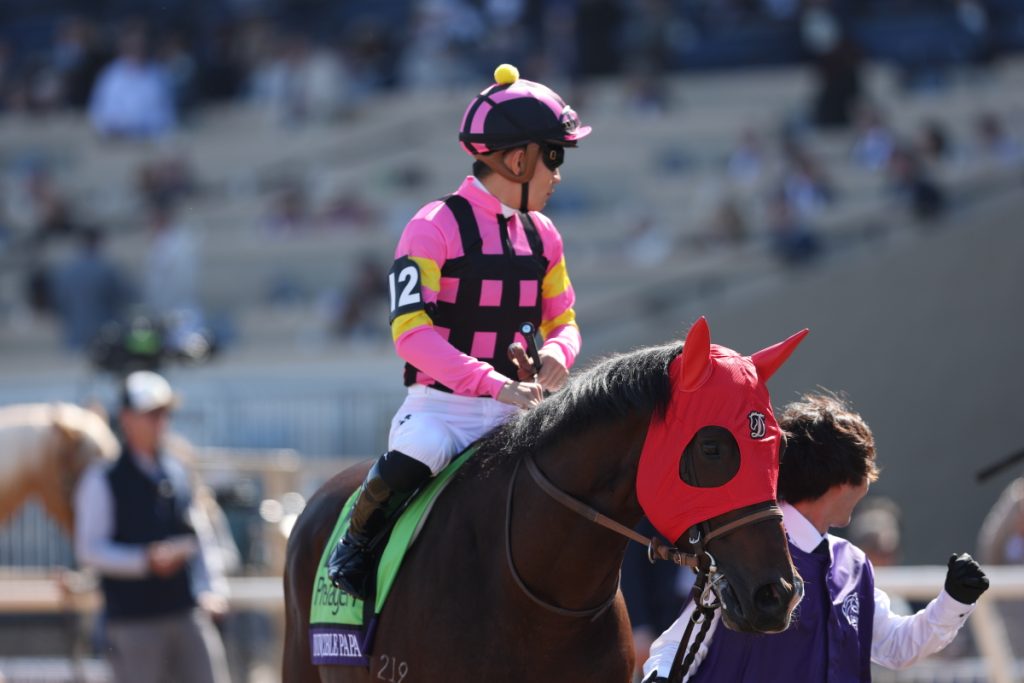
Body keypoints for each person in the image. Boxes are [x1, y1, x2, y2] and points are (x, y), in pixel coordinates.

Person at [327, 63, 590, 599]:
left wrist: (559, 353)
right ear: (518, 160)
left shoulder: (545, 235)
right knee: (421, 452)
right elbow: (411, 335)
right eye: (553, 156)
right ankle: (354, 546)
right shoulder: (432, 226)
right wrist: (495, 384)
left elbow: (563, 320)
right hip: (441, 412)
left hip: (521, 410)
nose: (558, 173)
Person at [643, 392, 989, 682]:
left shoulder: (853, 564)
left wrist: (954, 601)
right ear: (843, 482)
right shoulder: (745, 552)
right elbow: (677, 645)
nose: (869, 484)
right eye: (866, 472)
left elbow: (896, 647)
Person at [73, 370, 231, 683]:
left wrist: (211, 589)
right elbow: (89, 549)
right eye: (151, 414)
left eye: (164, 414)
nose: (160, 422)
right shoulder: (102, 478)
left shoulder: (177, 470)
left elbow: (200, 535)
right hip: (134, 621)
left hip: (186, 611)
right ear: (126, 418)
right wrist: (144, 560)